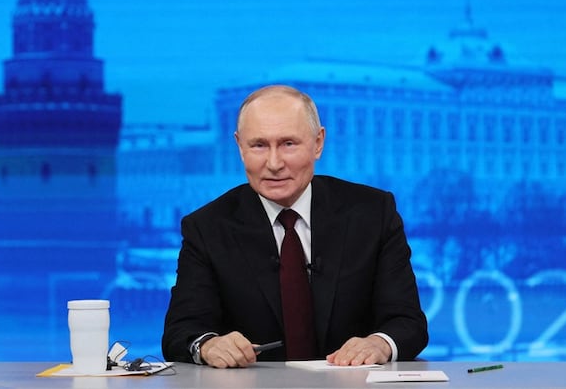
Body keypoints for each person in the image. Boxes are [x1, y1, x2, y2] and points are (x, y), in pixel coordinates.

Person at [161, 84, 428, 368]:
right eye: (259, 145)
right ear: (240, 146)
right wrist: (209, 345)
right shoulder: (207, 227)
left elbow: (408, 323)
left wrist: (379, 343)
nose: (274, 163)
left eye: (288, 144)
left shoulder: (373, 213)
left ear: (318, 143)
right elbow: (181, 332)